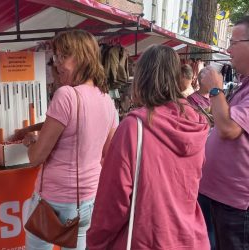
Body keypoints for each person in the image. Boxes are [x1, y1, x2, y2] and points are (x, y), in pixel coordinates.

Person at [87, 45, 210, 249]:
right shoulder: (196, 122)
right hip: (189, 237)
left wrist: (95, 241)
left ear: (142, 77)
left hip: (147, 238)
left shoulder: (134, 127)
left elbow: (113, 200)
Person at [22, 29, 117, 249]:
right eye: (57, 57)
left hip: (54, 200)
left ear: (82, 56)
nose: (57, 64)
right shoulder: (107, 100)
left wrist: (31, 142)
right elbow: (108, 155)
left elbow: (36, 158)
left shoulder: (66, 95)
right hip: (88, 200)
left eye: (64, 56)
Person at [199, 15, 249, 250]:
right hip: (221, 198)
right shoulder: (244, 84)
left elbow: (229, 129)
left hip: (236, 206)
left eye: (233, 43)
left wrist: (215, 88)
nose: (228, 50)